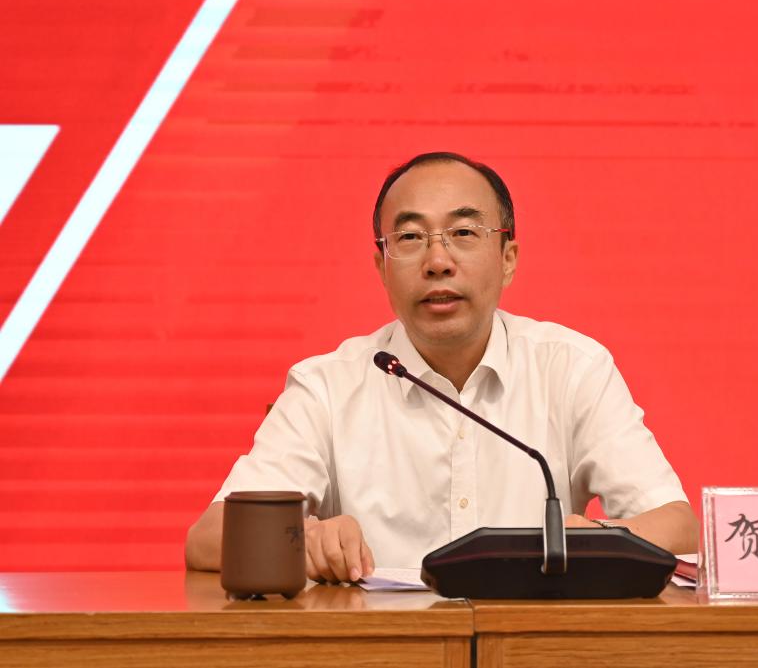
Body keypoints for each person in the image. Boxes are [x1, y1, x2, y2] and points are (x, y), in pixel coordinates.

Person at [185, 152, 698, 582]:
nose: (438, 261)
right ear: (382, 265)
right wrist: (306, 540)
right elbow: (207, 537)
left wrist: (601, 541)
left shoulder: (571, 369)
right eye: (410, 238)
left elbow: (678, 526)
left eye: (464, 232)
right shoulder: (327, 386)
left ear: (508, 258)